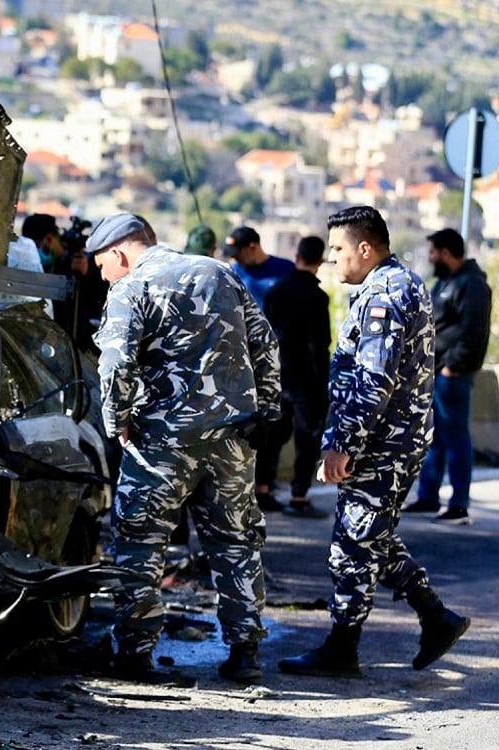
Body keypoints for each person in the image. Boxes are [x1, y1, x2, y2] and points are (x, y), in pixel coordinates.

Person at [88, 213, 279, 686]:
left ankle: (134, 652)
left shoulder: (132, 289)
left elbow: (115, 365)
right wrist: (265, 411)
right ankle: (245, 653)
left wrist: (118, 423)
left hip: (160, 444)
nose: (102, 275)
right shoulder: (221, 273)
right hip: (231, 439)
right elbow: (266, 346)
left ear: (119, 252)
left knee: (139, 543)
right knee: (236, 543)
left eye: (101, 265)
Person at [279, 205, 470, 678]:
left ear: (365, 249)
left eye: (339, 250)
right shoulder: (401, 282)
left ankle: (342, 648)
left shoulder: (384, 294)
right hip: (393, 441)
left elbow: (373, 379)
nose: (333, 260)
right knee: (372, 536)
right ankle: (435, 616)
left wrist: (341, 443)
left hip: (382, 444)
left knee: (353, 545)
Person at [403, 228, 493, 524]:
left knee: (455, 437)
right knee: (434, 437)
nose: (429, 258)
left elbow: (474, 331)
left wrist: (453, 365)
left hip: (451, 373)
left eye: (432, 252)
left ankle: (459, 504)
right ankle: (428, 497)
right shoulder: (446, 282)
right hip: (433, 371)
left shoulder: (471, 284)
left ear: (445, 252)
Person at [223, 225, 297, 512]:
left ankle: (265, 487)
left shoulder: (283, 270)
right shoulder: (232, 272)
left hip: (276, 363)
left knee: (273, 426)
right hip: (240, 362)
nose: (236, 258)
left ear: (253, 247)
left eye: (238, 252)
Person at [260, 236, 332, 518]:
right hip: (306, 381)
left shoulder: (276, 291)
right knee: (307, 440)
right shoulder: (317, 297)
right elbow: (319, 344)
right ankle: (298, 496)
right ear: (320, 261)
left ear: (297, 255)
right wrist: (324, 383)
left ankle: (263, 490)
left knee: (271, 438)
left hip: (277, 376)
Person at [21, 213, 109, 351]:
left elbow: (102, 300)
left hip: (80, 342)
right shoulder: (32, 265)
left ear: (50, 239)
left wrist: (86, 275)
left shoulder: (83, 262)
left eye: (39, 244)